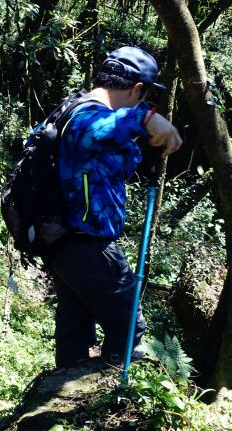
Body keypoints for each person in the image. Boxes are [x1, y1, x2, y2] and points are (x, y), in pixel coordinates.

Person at [49, 46, 182, 367]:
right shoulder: (86, 115)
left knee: (75, 331)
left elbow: (109, 158)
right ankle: (108, 393)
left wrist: (141, 154)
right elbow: (93, 132)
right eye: (142, 97)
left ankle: (61, 403)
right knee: (129, 323)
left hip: (62, 245)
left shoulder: (74, 108)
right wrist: (146, 117)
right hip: (87, 245)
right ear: (137, 89)